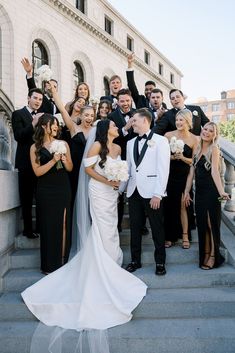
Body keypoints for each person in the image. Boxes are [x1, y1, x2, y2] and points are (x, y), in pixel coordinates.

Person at [21, 119, 147, 353]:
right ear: (105, 129)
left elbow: (118, 168)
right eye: (113, 125)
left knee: (111, 228)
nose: (117, 127)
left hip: (112, 194)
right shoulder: (96, 146)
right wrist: (107, 180)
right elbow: (87, 169)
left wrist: (117, 182)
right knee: (100, 227)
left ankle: (112, 261)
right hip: (99, 192)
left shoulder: (118, 147)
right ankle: (101, 264)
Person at [124, 109, 170, 275]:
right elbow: (129, 169)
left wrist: (158, 193)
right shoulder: (130, 143)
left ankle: (160, 262)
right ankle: (135, 260)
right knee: (135, 227)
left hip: (152, 192)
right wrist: (121, 189)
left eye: (134, 120)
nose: (132, 123)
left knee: (157, 227)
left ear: (145, 121)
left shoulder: (161, 141)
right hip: (134, 191)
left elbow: (163, 169)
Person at [30, 114, 73, 274]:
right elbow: (37, 172)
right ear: (43, 126)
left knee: (63, 224)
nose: (56, 127)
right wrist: (53, 161)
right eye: (52, 124)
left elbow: (70, 168)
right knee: (48, 226)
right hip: (45, 190)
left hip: (62, 187)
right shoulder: (35, 147)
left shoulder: (63, 144)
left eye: (57, 124)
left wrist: (63, 160)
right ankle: (49, 265)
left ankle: (62, 262)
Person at [184, 122, 229, 269]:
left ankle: (214, 256)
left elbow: (215, 172)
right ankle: (206, 253)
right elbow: (191, 172)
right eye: (205, 129)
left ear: (214, 135)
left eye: (211, 131)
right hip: (200, 193)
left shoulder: (214, 149)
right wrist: (186, 191)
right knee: (203, 224)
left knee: (211, 224)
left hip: (212, 192)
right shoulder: (196, 148)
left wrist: (222, 192)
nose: (207, 132)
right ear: (202, 130)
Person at [49, 82, 95, 206]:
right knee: (74, 197)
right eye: (86, 115)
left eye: (92, 115)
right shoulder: (74, 127)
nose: (89, 118)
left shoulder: (96, 130)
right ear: (81, 115)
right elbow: (63, 111)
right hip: (74, 169)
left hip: (91, 170)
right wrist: (54, 92)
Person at [12, 88, 44, 239]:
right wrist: (33, 124)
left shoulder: (43, 116)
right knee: (26, 197)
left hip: (40, 162)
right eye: (35, 98)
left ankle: (40, 227)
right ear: (28, 98)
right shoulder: (18, 114)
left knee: (40, 196)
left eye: (40, 99)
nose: (38, 101)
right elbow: (18, 136)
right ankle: (27, 230)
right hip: (25, 163)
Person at [164, 109, 198, 249]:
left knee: (184, 205)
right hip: (169, 175)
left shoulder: (194, 139)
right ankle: (169, 236)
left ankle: (185, 235)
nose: (178, 122)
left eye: (181, 120)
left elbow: (195, 162)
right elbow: (161, 157)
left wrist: (183, 157)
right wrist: (172, 157)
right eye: (177, 120)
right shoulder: (168, 135)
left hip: (185, 177)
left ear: (188, 121)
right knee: (169, 206)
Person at [108, 88, 136, 232]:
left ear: (130, 100)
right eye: (122, 101)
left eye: (127, 100)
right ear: (117, 102)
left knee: (136, 192)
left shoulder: (138, 114)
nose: (125, 103)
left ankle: (140, 225)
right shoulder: (111, 116)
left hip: (136, 159)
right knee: (118, 193)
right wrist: (125, 127)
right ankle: (117, 225)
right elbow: (112, 137)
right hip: (119, 159)